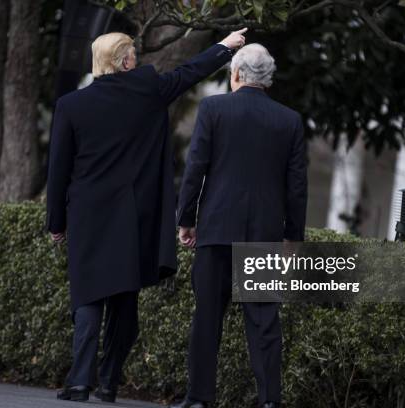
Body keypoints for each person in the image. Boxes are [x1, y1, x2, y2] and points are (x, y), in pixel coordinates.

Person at [46, 29, 247, 403]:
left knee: (88, 297)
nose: (137, 59)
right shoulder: (148, 90)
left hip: (89, 214)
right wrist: (225, 46)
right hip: (133, 215)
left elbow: (58, 171)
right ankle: (108, 382)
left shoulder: (71, 106)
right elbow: (190, 72)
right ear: (123, 61)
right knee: (124, 297)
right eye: (133, 54)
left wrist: (57, 223)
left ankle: (79, 381)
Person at [173, 44, 308, 408]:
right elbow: (297, 186)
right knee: (265, 323)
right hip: (264, 235)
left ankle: (200, 398)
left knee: (207, 319)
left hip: (216, 229)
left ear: (235, 74)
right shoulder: (289, 121)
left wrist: (186, 219)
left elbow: (195, 169)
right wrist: (293, 236)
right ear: (268, 78)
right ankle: (269, 401)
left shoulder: (214, 109)